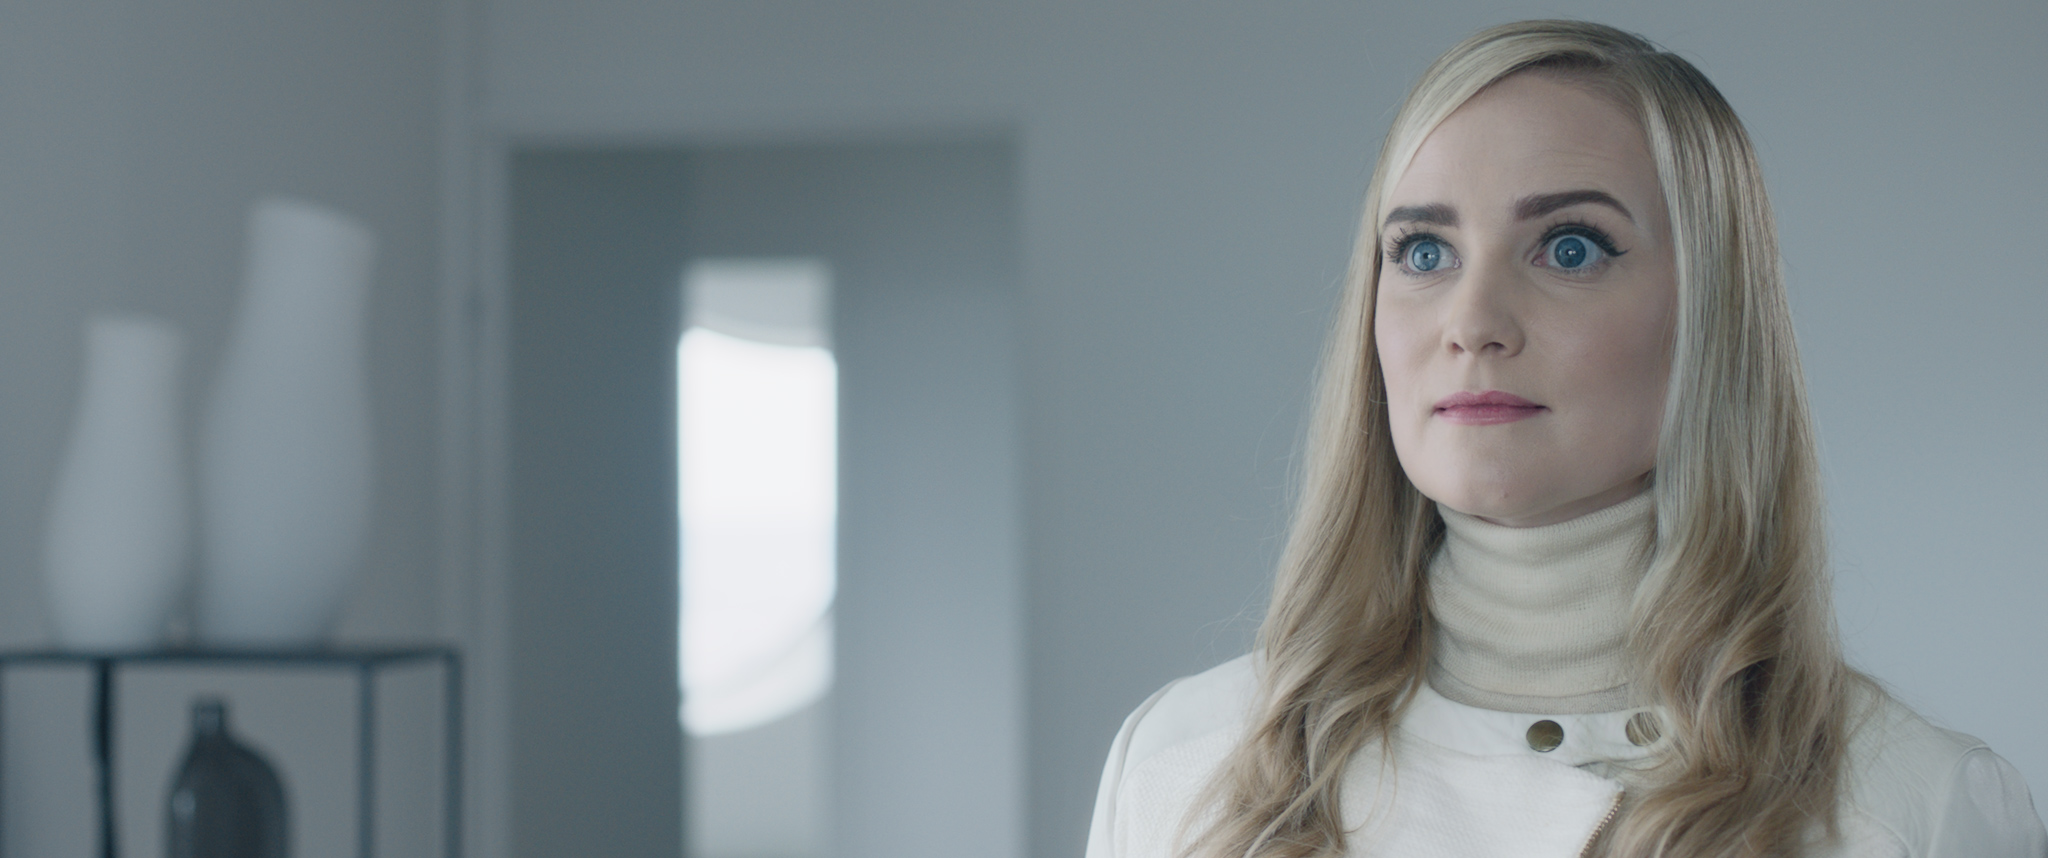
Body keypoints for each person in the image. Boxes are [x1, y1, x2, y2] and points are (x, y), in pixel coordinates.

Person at [1084, 20, 2048, 858]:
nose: (1473, 322)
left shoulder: (1909, 809)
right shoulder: (1183, 767)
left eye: (1570, 248)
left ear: (1710, 312)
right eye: (1424, 250)